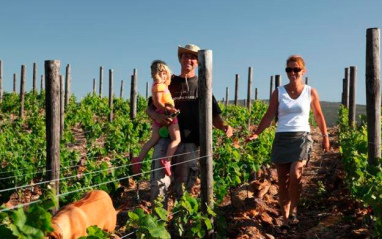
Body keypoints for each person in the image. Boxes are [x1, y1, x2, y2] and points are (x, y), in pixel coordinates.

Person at [133, 44, 233, 206]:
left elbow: (214, 115)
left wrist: (224, 126)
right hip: (164, 141)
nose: (188, 59)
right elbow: (150, 107)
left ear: (198, 62)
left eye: (193, 57)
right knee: (158, 186)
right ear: (180, 59)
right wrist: (155, 114)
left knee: (184, 189)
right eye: (185, 56)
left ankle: (180, 228)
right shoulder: (169, 81)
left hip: (189, 144)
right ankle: (160, 223)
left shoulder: (203, 86)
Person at [247, 55, 330, 233]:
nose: (292, 73)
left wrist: (325, 136)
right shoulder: (279, 92)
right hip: (282, 137)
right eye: (289, 70)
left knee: (295, 174)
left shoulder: (310, 92)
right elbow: (269, 115)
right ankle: (285, 219)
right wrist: (256, 133)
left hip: (301, 137)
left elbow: (318, 115)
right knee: (283, 181)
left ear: (303, 71)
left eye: (296, 69)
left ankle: (294, 209)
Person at [132, 60, 180, 177]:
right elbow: (158, 102)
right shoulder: (159, 86)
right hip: (166, 115)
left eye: (165, 73)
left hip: (159, 115)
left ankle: (138, 160)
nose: (164, 75)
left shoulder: (158, 86)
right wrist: (168, 110)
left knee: (154, 139)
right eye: (161, 73)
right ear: (156, 74)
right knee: (176, 139)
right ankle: (167, 160)